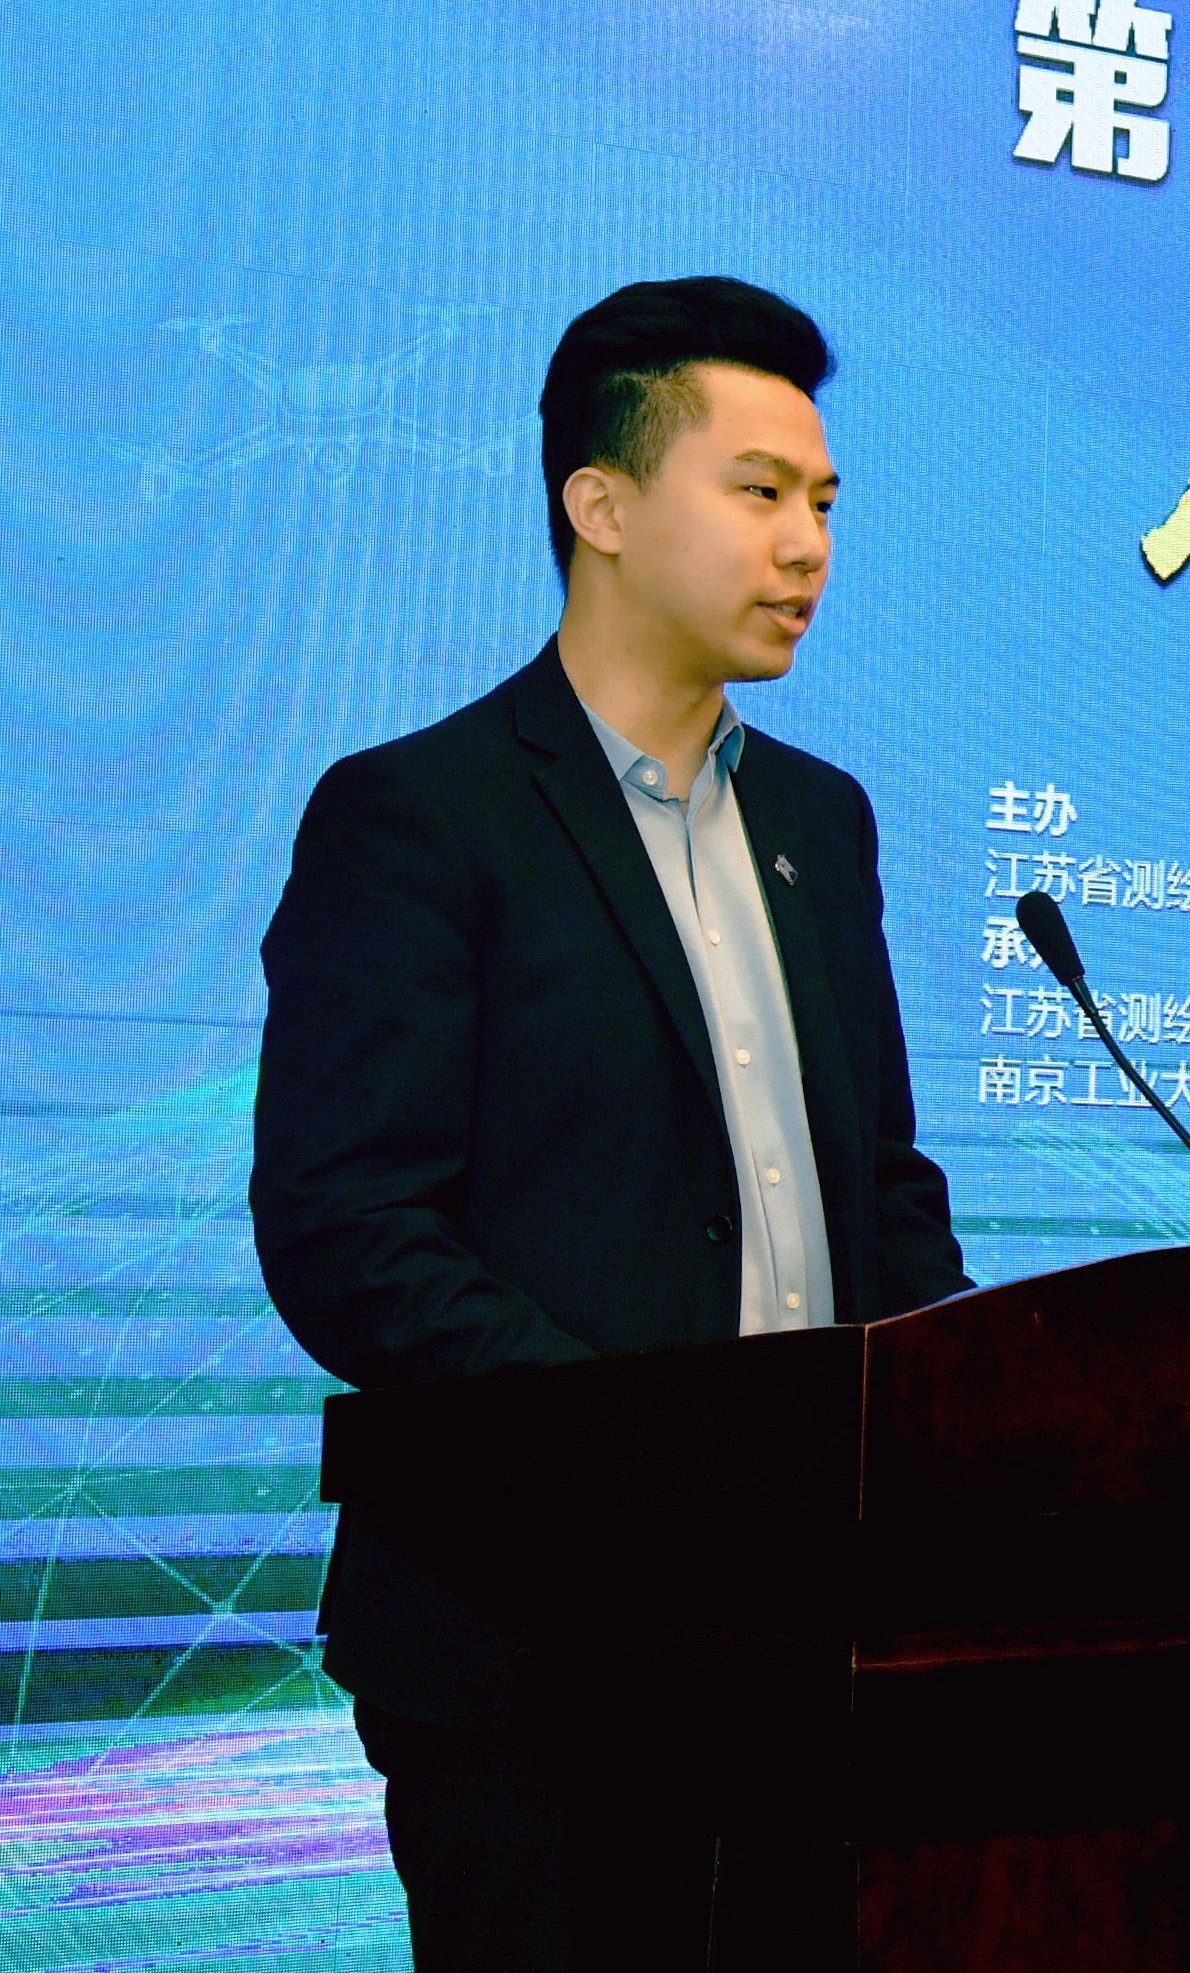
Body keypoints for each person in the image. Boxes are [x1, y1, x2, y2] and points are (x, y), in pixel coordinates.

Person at [252, 277, 971, 1970]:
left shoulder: (820, 825)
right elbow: (349, 1230)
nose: (806, 545)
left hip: (815, 1644)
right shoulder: (419, 817)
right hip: (529, 1652)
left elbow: (878, 1184)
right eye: (759, 491)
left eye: (824, 503)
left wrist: (972, 1411)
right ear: (603, 505)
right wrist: (646, 1458)